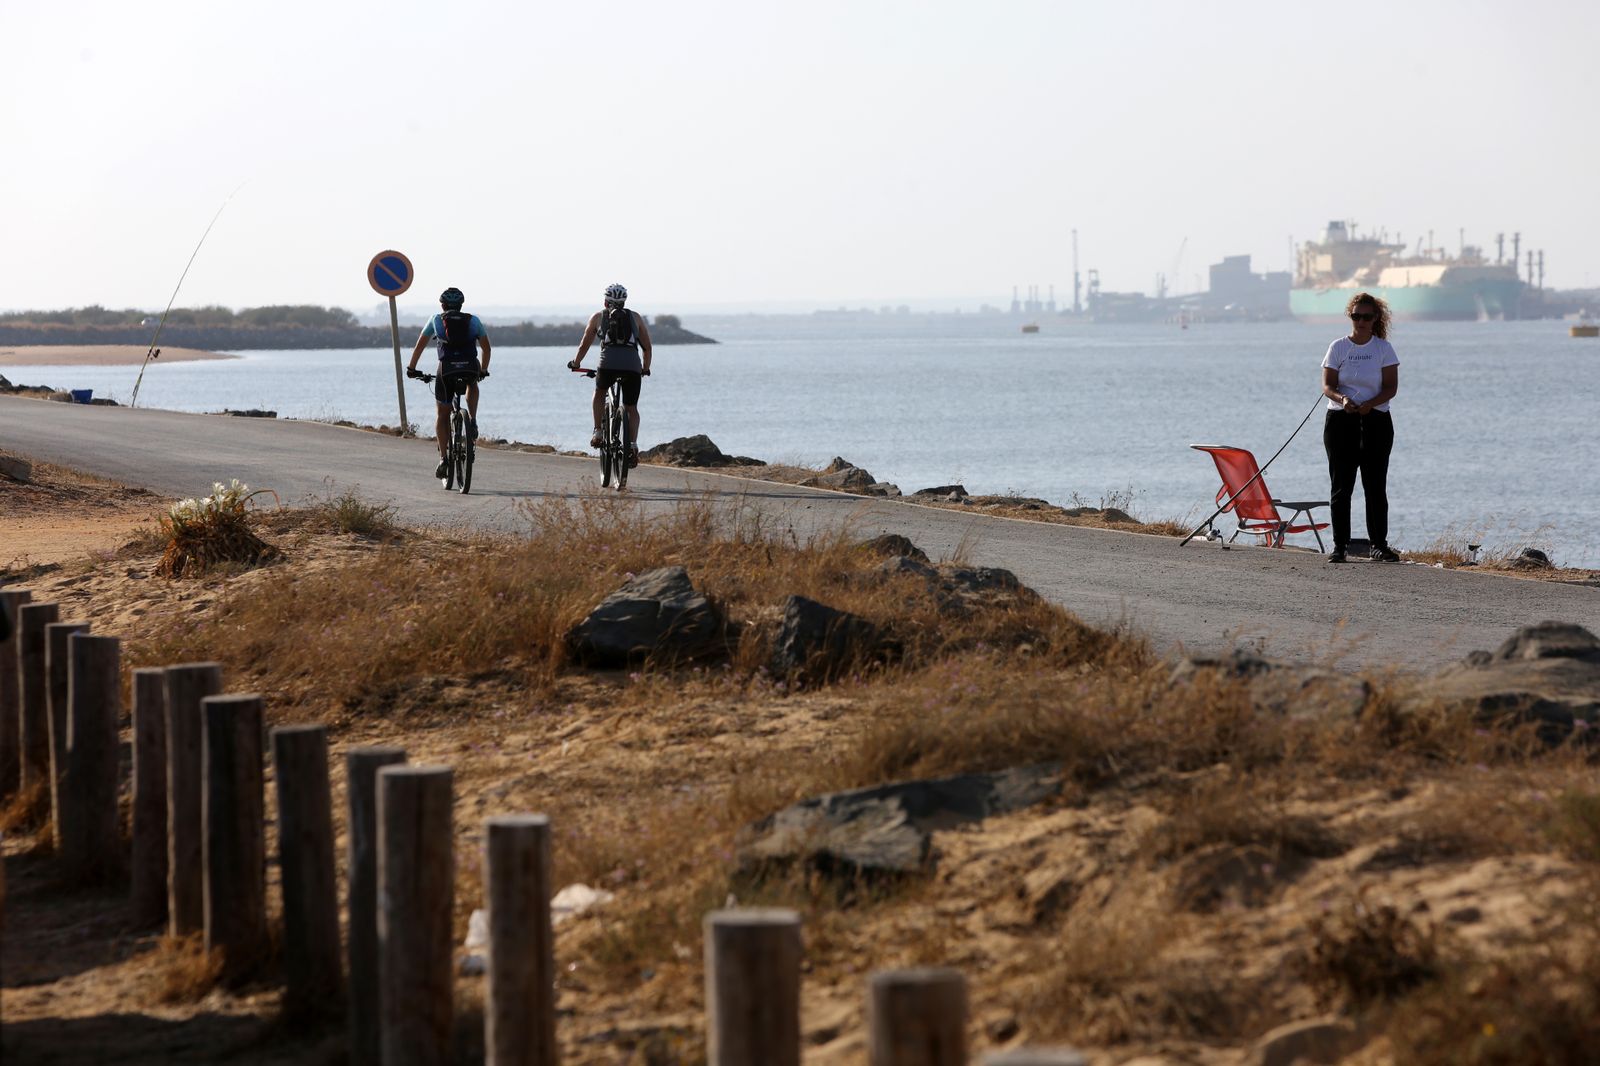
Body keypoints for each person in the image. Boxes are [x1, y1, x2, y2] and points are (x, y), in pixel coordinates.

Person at [1321, 291, 1400, 564]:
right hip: (1341, 420)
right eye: (1356, 316)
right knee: (1342, 486)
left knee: (1375, 485)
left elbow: (1391, 387)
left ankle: (1378, 544)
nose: (1361, 321)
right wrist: (1343, 399)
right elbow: (1328, 385)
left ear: (1375, 318)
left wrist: (1371, 403)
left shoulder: (1383, 349)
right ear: (1350, 317)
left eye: (1366, 317)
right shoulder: (1338, 347)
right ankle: (1340, 545)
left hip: (1376, 419)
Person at [406, 287, 491, 479]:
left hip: (446, 370)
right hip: (470, 366)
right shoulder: (473, 320)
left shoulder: (435, 319)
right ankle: (473, 420)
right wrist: (483, 370)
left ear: (442, 305)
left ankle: (444, 459)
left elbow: (419, 346)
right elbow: (486, 348)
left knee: (442, 414)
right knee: (473, 383)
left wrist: (412, 369)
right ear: (461, 305)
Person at [567, 283, 651, 466]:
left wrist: (576, 363)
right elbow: (647, 347)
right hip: (632, 367)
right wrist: (645, 368)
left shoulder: (598, 317)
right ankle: (633, 445)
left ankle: (597, 431)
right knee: (631, 408)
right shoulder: (635, 317)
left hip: (607, 365)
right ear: (624, 301)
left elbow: (585, 344)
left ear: (606, 302)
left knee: (599, 392)